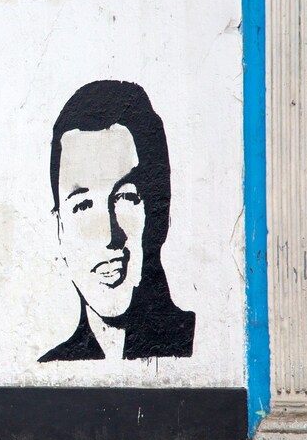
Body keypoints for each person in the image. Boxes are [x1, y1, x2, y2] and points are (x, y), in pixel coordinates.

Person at [39, 80, 195, 362]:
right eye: (83, 205)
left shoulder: (195, 348)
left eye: (126, 197)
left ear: (160, 213)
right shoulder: (52, 369)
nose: (108, 235)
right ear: (59, 230)